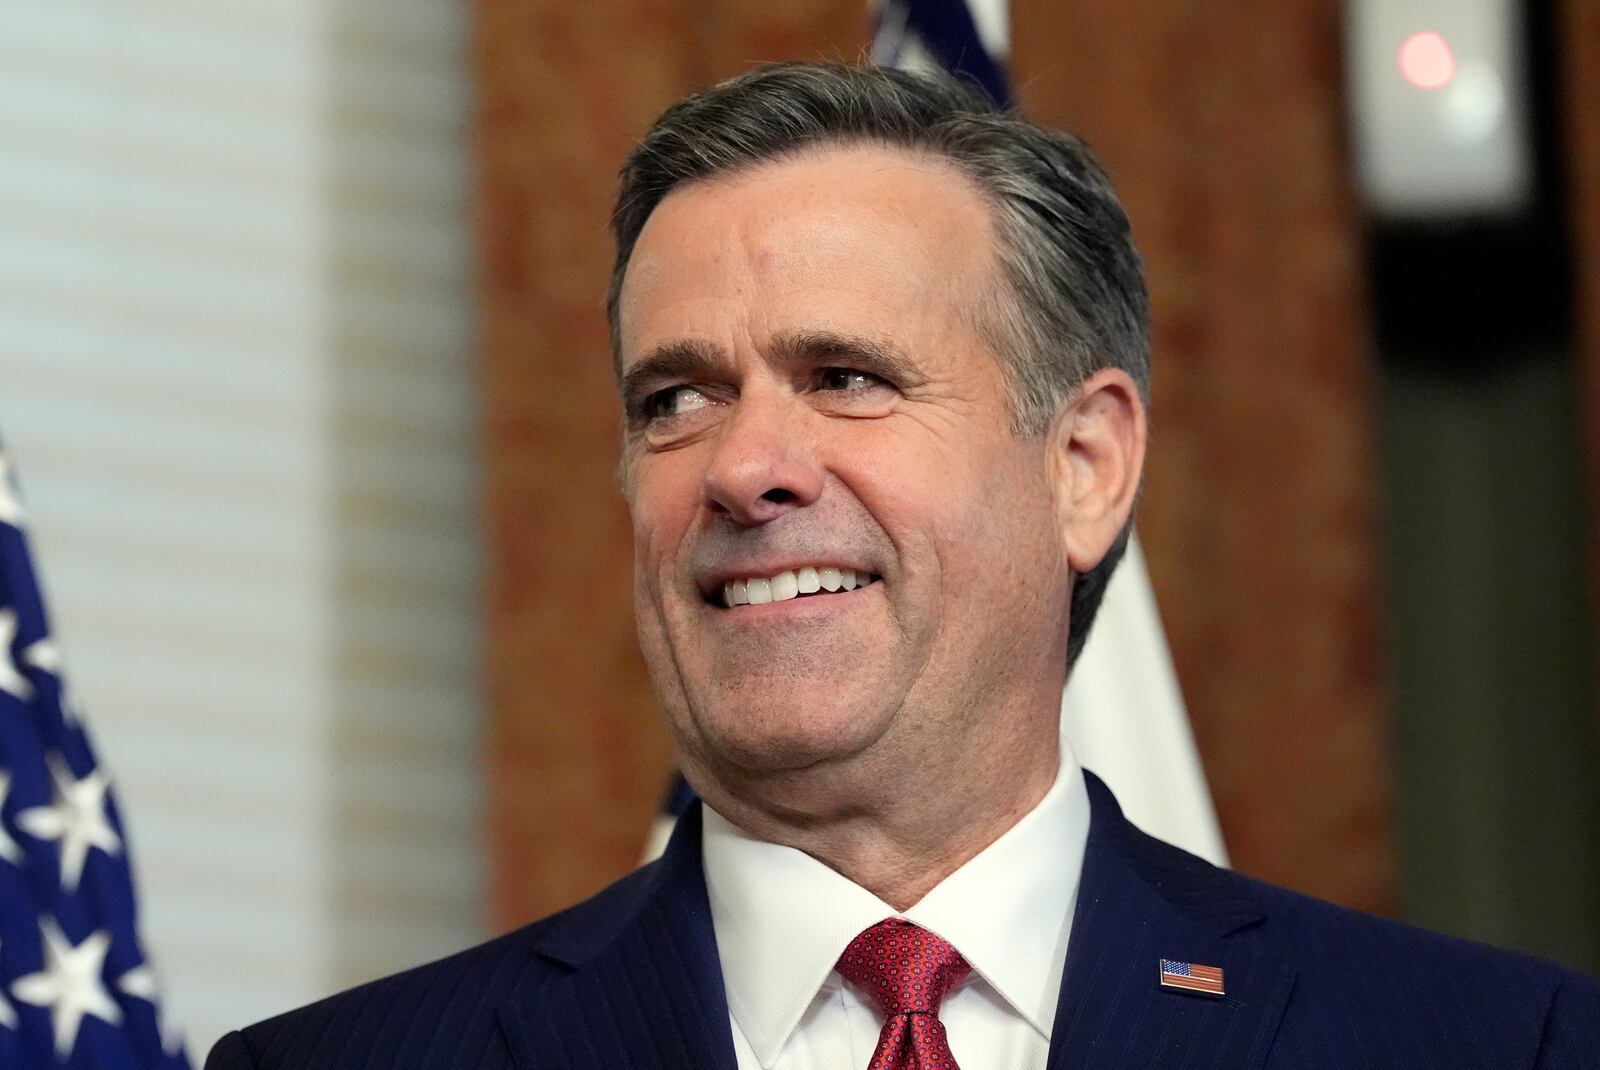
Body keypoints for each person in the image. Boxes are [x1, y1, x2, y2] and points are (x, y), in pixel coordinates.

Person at [206, 61, 1600, 1070]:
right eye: (674, 398)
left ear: (1086, 466)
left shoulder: (1492, 1046)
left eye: (847, 374)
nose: (746, 466)